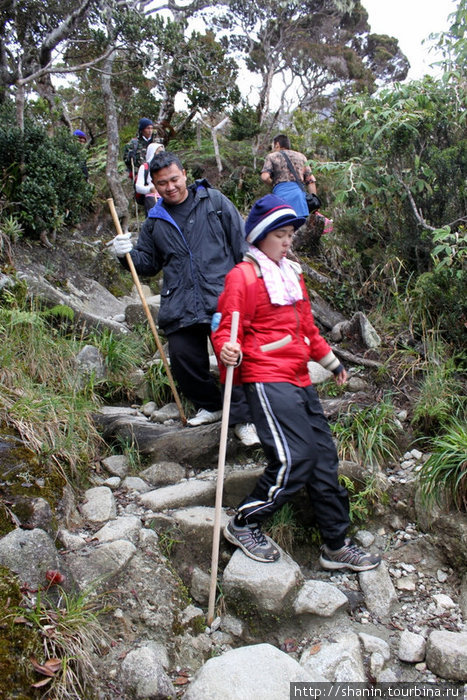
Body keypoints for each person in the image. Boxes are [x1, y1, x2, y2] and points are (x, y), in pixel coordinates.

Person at [211, 194, 382, 571]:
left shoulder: (292, 273)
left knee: (323, 458)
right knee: (294, 457)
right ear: (260, 237)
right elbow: (225, 326)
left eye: (290, 234)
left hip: (299, 377)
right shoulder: (243, 275)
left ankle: (335, 545)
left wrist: (332, 362)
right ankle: (245, 521)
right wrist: (226, 349)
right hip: (264, 375)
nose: (288, 241)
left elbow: (307, 327)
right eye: (281, 235)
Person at [111, 151, 260, 447]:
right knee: (182, 361)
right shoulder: (155, 219)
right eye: (162, 183)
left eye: (174, 179)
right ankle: (215, 405)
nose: (170, 187)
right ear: (153, 185)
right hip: (180, 301)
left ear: (184, 175)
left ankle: (243, 419)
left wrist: (248, 283)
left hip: (223, 296)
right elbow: (148, 264)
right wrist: (124, 253)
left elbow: (241, 243)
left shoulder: (214, 202)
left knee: (232, 358)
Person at [260, 134, 317, 218]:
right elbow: (310, 181)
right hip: (299, 198)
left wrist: (273, 184)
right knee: (300, 226)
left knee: (283, 226)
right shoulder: (301, 157)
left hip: (281, 197)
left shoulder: (272, 156)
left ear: (277, 145)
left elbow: (264, 177)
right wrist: (314, 201)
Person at [134, 142, 164, 215]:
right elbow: (138, 187)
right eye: (159, 152)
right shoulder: (145, 167)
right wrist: (150, 189)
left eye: (162, 152)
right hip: (151, 198)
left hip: (165, 196)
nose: (161, 154)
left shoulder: (165, 166)